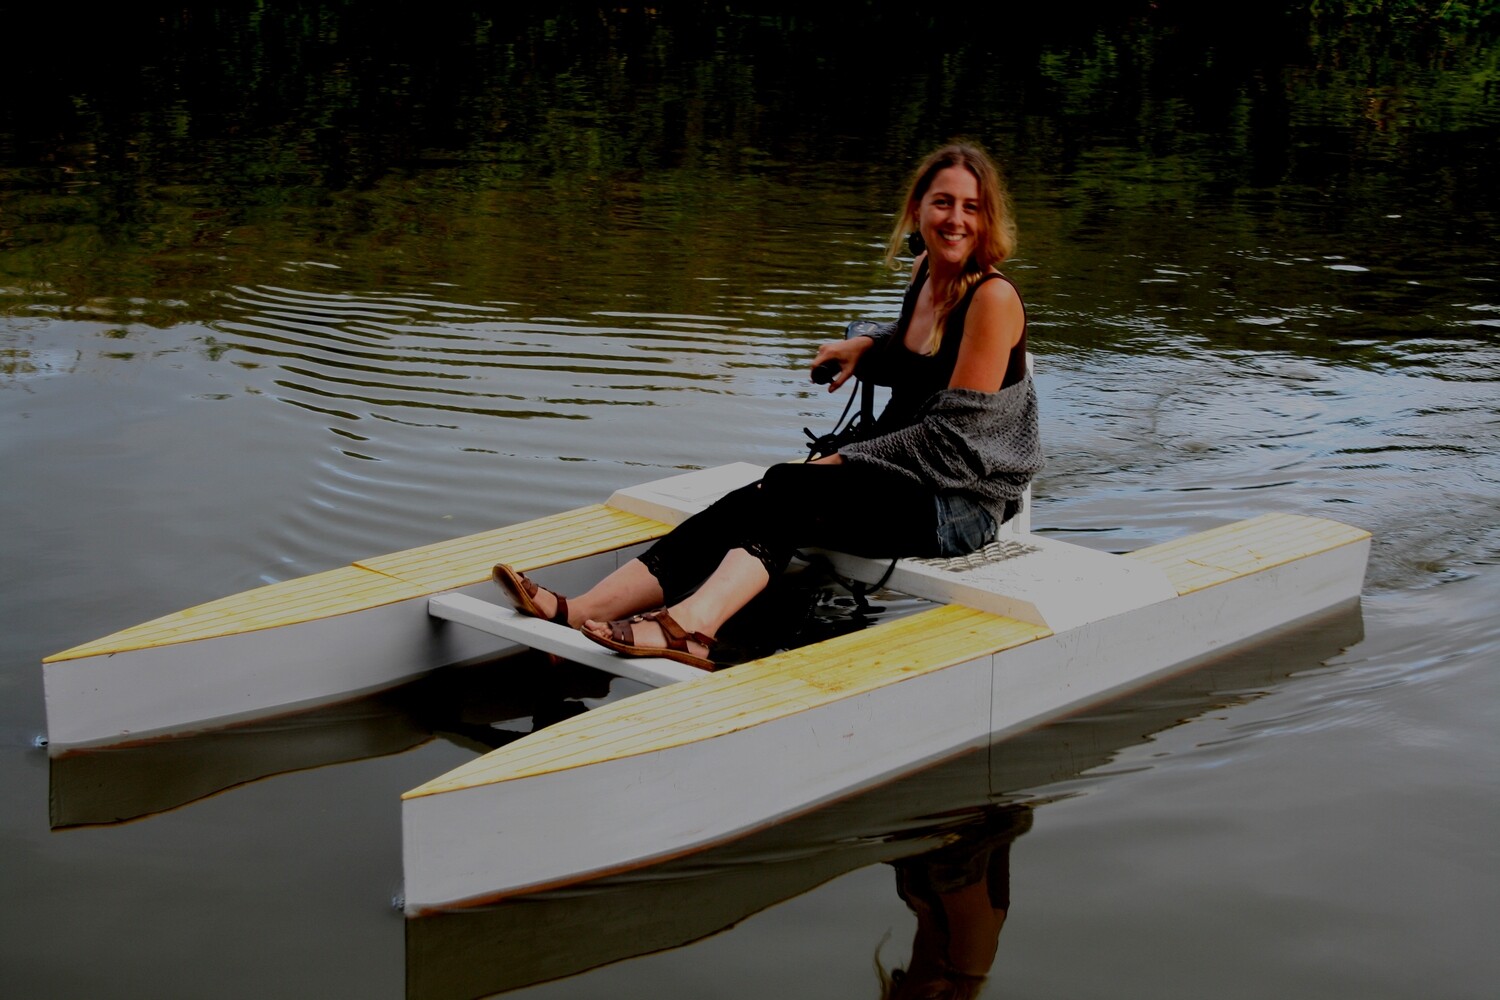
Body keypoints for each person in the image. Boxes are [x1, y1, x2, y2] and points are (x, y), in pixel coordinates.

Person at [491, 141, 1043, 669]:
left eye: (971, 207)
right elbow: (916, 349)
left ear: (987, 218)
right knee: (761, 494)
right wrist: (868, 346)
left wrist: (846, 461)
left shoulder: (992, 299)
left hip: (958, 504)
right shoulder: (927, 273)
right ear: (917, 208)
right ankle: (591, 609)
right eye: (943, 202)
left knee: (788, 492)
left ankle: (690, 628)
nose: (956, 219)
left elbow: (950, 442)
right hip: (901, 481)